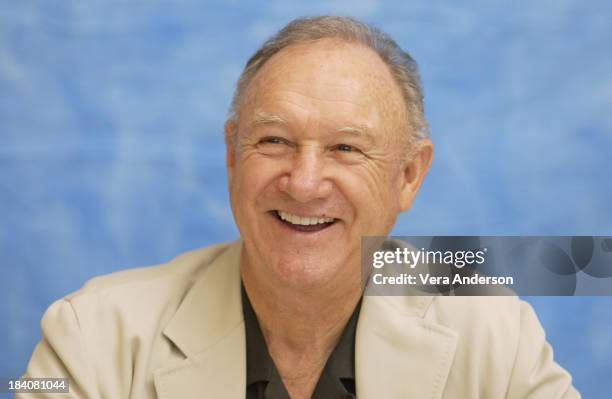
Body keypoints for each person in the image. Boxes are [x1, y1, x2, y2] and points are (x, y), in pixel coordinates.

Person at [19, 16, 580, 399]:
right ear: (233, 157)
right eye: (274, 142)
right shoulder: (91, 335)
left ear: (409, 176)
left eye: (346, 148)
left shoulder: (493, 328)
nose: (305, 183)